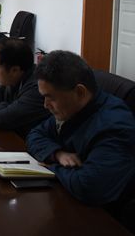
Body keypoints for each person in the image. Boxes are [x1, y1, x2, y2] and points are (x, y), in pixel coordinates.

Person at [26, 51, 135, 226]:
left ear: (80, 92)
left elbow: (89, 187)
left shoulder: (115, 126)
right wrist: (58, 154)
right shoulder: (72, 108)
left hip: (106, 219)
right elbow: (35, 134)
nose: (45, 105)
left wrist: (52, 167)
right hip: (69, 202)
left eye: (50, 97)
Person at [0, 38, 50, 137]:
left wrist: (0, 110)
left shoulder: (37, 89)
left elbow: (2, 120)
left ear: (14, 70)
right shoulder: (10, 78)